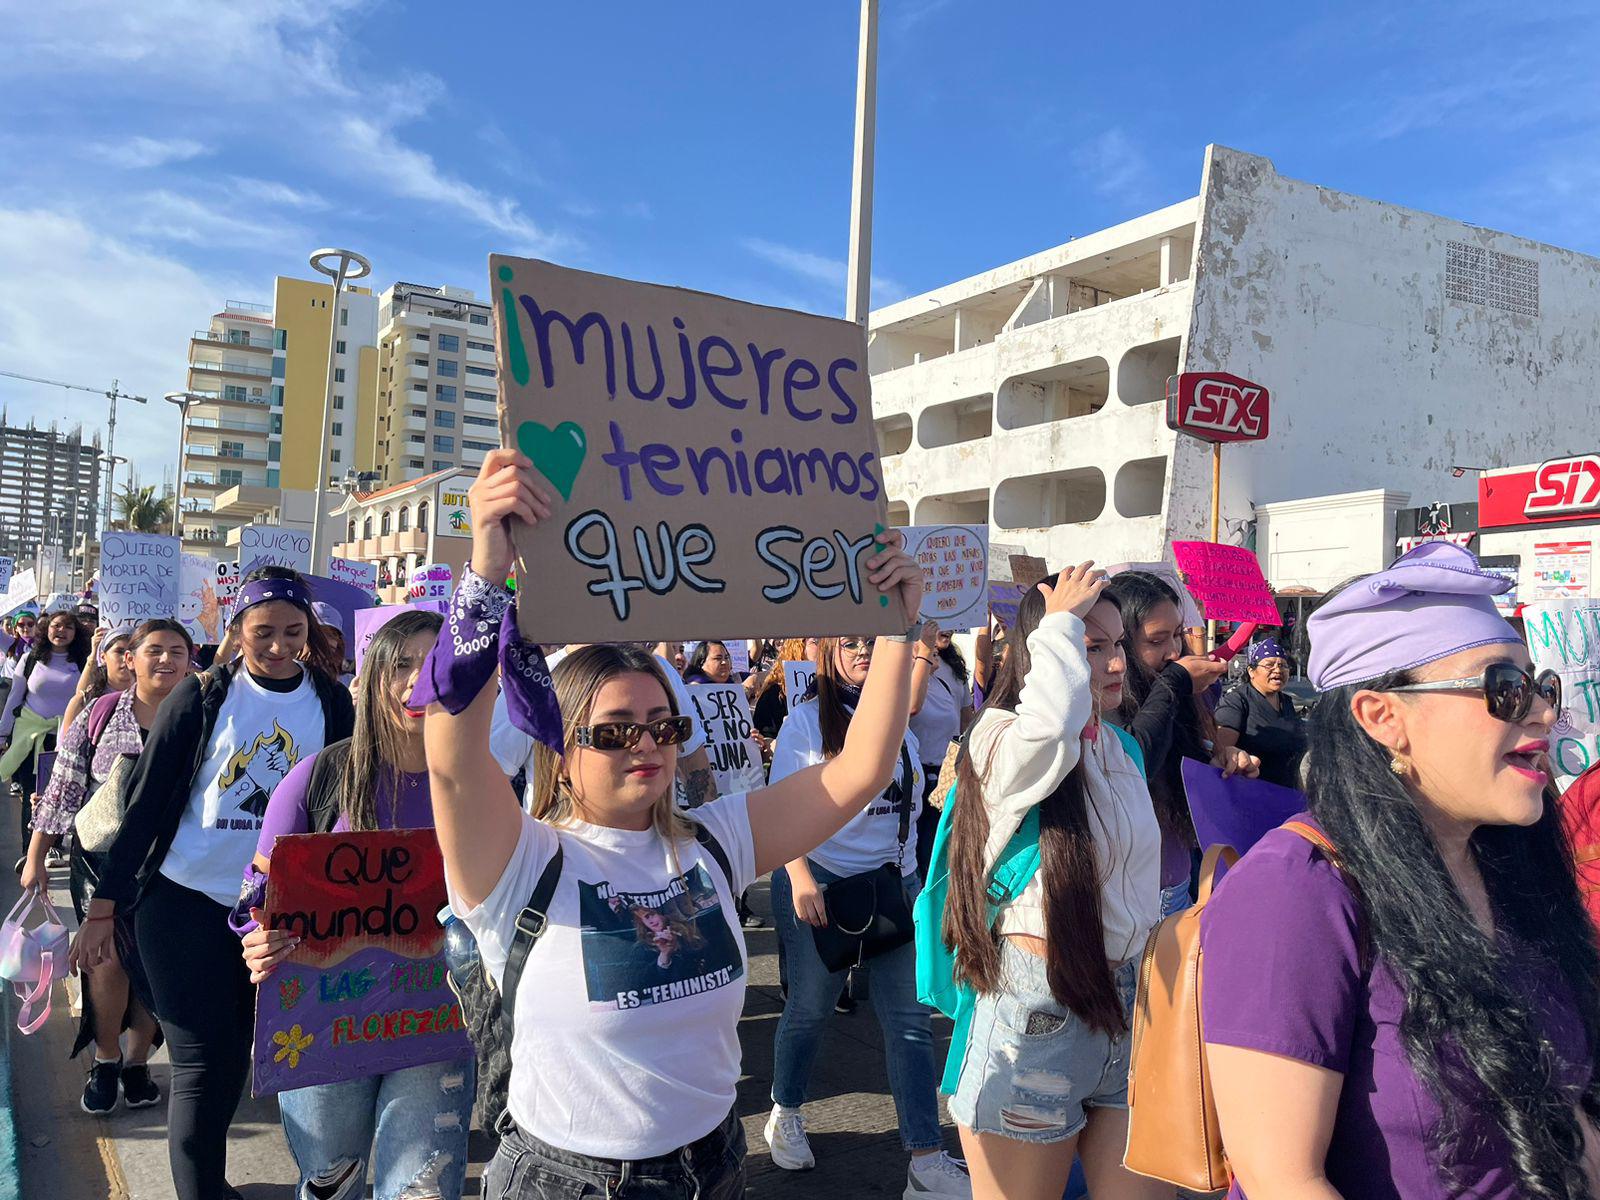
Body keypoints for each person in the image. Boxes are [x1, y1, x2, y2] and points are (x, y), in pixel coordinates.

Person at [420, 447, 927, 1200]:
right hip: (568, 1182)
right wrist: (486, 574)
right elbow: (454, 750)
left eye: (663, 725)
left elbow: (858, 773)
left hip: (716, 1166)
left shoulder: (715, 840)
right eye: (617, 730)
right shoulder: (519, 862)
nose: (648, 745)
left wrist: (896, 628)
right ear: (561, 749)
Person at [1202, 542, 1600, 1198]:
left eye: (1542, 686)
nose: (1542, 714)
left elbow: (1570, 1118)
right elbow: (1283, 1181)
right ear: (1384, 717)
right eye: (1504, 688)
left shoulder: (1513, 869)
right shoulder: (1297, 891)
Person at [75, 566, 354, 1200]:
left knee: (246, 1058)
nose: (279, 646)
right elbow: (143, 807)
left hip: (277, 916)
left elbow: (342, 803)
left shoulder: (333, 701)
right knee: (204, 1063)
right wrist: (102, 908)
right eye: (263, 632)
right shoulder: (201, 695)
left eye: (292, 631)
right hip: (183, 903)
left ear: (309, 629)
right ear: (237, 630)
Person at [940, 564, 1165, 1200]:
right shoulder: (999, 738)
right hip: (1038, 1012)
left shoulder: (1120, 749)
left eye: (1118, 644)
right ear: (1047, 648)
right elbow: (1050, 725)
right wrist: (1061, 623)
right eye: (1093, 647)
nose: (1116, 662)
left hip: (1126, 1004)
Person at [238, 609, 475, 1200]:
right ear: (371, 679)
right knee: (329, 1185)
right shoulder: (317, 777)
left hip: (436, 1024)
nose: (418, 681)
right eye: (401, 664)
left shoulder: (481, 784)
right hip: (325, 1026)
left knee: (422, 1190)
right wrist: (254, 934)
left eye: (435, 663)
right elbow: (255, 894)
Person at [765, 633, 970, 1195]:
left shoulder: (892, 720)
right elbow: (781, 808)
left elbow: (904, 807)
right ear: (827, 652)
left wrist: (907, 881)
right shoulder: (805, 724)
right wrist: (801, 878)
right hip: (821, 884)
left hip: (888, 885)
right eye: (850, 644)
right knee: (811, 1009)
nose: (862, 653)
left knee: (908, 1021)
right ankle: (786, 1110)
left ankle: (925, 1159)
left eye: (870, 645)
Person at [22, 618, 192, 1113]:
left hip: (174, 865)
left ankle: (137, 1062)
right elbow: (63, 791)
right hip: (102, 861)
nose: (165, 659)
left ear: (190, 660)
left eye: (177, 650)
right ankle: (106, 1058)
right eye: (154, 649)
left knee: (155, 965)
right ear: (129, 659)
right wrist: (35, 857)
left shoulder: (204, 715)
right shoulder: (98, 714)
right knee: (107, 960)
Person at [1102, 571, 1256, 915]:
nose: (1173, 652)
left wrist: (1222, 760)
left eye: (1176, 635)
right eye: (1156, 641)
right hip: (1133, 900)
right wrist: (1174, 681)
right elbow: (1135, 763)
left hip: (1179, 883)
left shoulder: (1174, 695)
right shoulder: (1105, 703)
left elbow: (1182, 768)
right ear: (1120, 643)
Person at [0, 606, 93, 839]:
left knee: (60, 794)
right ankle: (27, 849)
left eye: (68, 627)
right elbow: (15, 697)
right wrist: (3, 734)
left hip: (66, 738)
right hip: (30, 738)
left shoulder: (84, 663)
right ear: (46, 629)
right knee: (32, 795)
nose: (61, 631)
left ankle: (53, 844)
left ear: (75, 633)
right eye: (56, 626)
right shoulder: (29, 659)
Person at [909, 623, 975, 880]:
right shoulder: (905, 664)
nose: (946, 628)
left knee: (943, 854)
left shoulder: (955, 669)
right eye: (938, 620)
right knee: (919, 855)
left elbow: (965, 722)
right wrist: (924, 663)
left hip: (947, 776)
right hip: (914, 777)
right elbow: (911, 708)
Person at [1213, 637, 1307, 789]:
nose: (1278, 670)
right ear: (1251, 671)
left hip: (1287, 792)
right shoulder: (1237, 701)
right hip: (1251, 792)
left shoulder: (1287, 701)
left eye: (1283, 665)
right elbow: (1221, 752)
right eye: (1269, 665)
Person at [61, 628, 133, 735]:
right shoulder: (84, 701)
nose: (126, 658)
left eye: (132, 652)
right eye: (119, 652)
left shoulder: (151, 700)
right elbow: (65, 747)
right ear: (103, 657)